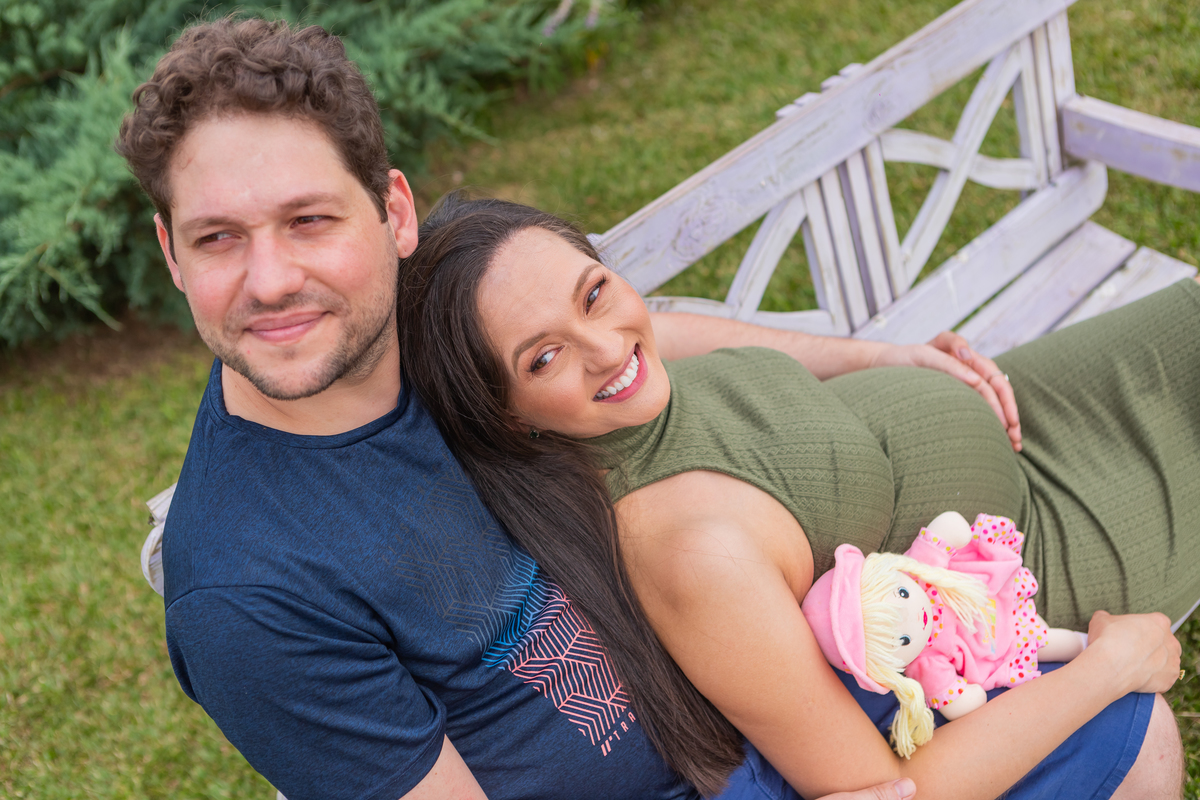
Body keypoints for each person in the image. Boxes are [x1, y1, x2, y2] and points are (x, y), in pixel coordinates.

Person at [112, 16, 1011, 800]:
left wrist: (874, 354)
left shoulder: (409, 324)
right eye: (218, 238)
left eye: (308, 220)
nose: (271, 281)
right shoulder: (246, 596)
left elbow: (619, 336)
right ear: (172, 253)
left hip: (812, 669)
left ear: (394, 215)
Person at [393, 193, 1194, 800]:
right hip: (1020, 555)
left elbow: (663, 329)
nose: (607, 348)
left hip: (1030, 415)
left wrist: (881, 359)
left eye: (595, 292)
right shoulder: (689, 553)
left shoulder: (625, 388)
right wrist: (1109, 668)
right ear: (505, 416)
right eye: (543, 359)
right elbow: (890, 789)